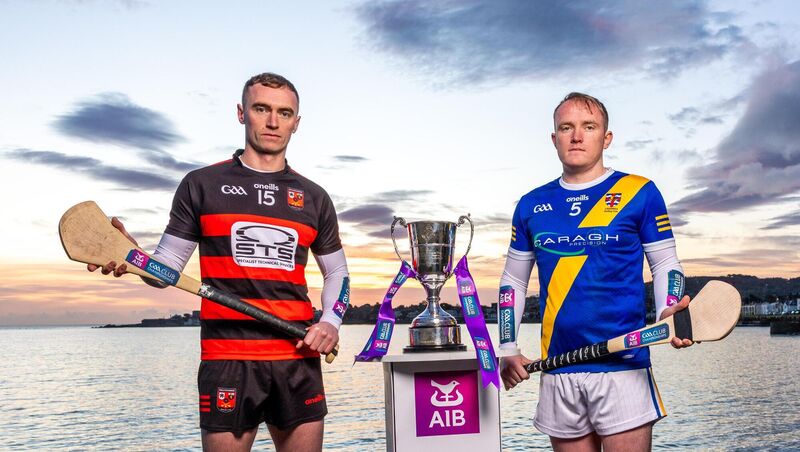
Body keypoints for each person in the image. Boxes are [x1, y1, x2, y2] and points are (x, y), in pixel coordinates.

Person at [89, 72, 350, 452]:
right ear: (242, 113)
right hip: (227, 357)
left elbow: (337, 271)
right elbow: (166, 270)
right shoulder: (202, 185)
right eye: (262, 109)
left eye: (284, 112)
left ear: (297, 121)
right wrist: (133, 258)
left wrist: (330, 321)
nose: (273, 122)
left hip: (296, 355)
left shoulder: (313, 197)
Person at [498, 92, 692, 452]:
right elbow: (513, 281)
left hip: (624, 365)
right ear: (553, 138)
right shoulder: (530, 204)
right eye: (566, 127)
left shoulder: (639, 192)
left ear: (606, 138)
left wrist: (668, 309)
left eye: (588, 127)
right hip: (558, 365)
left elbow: (664, 262)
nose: (576, 136)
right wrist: (508, 345)